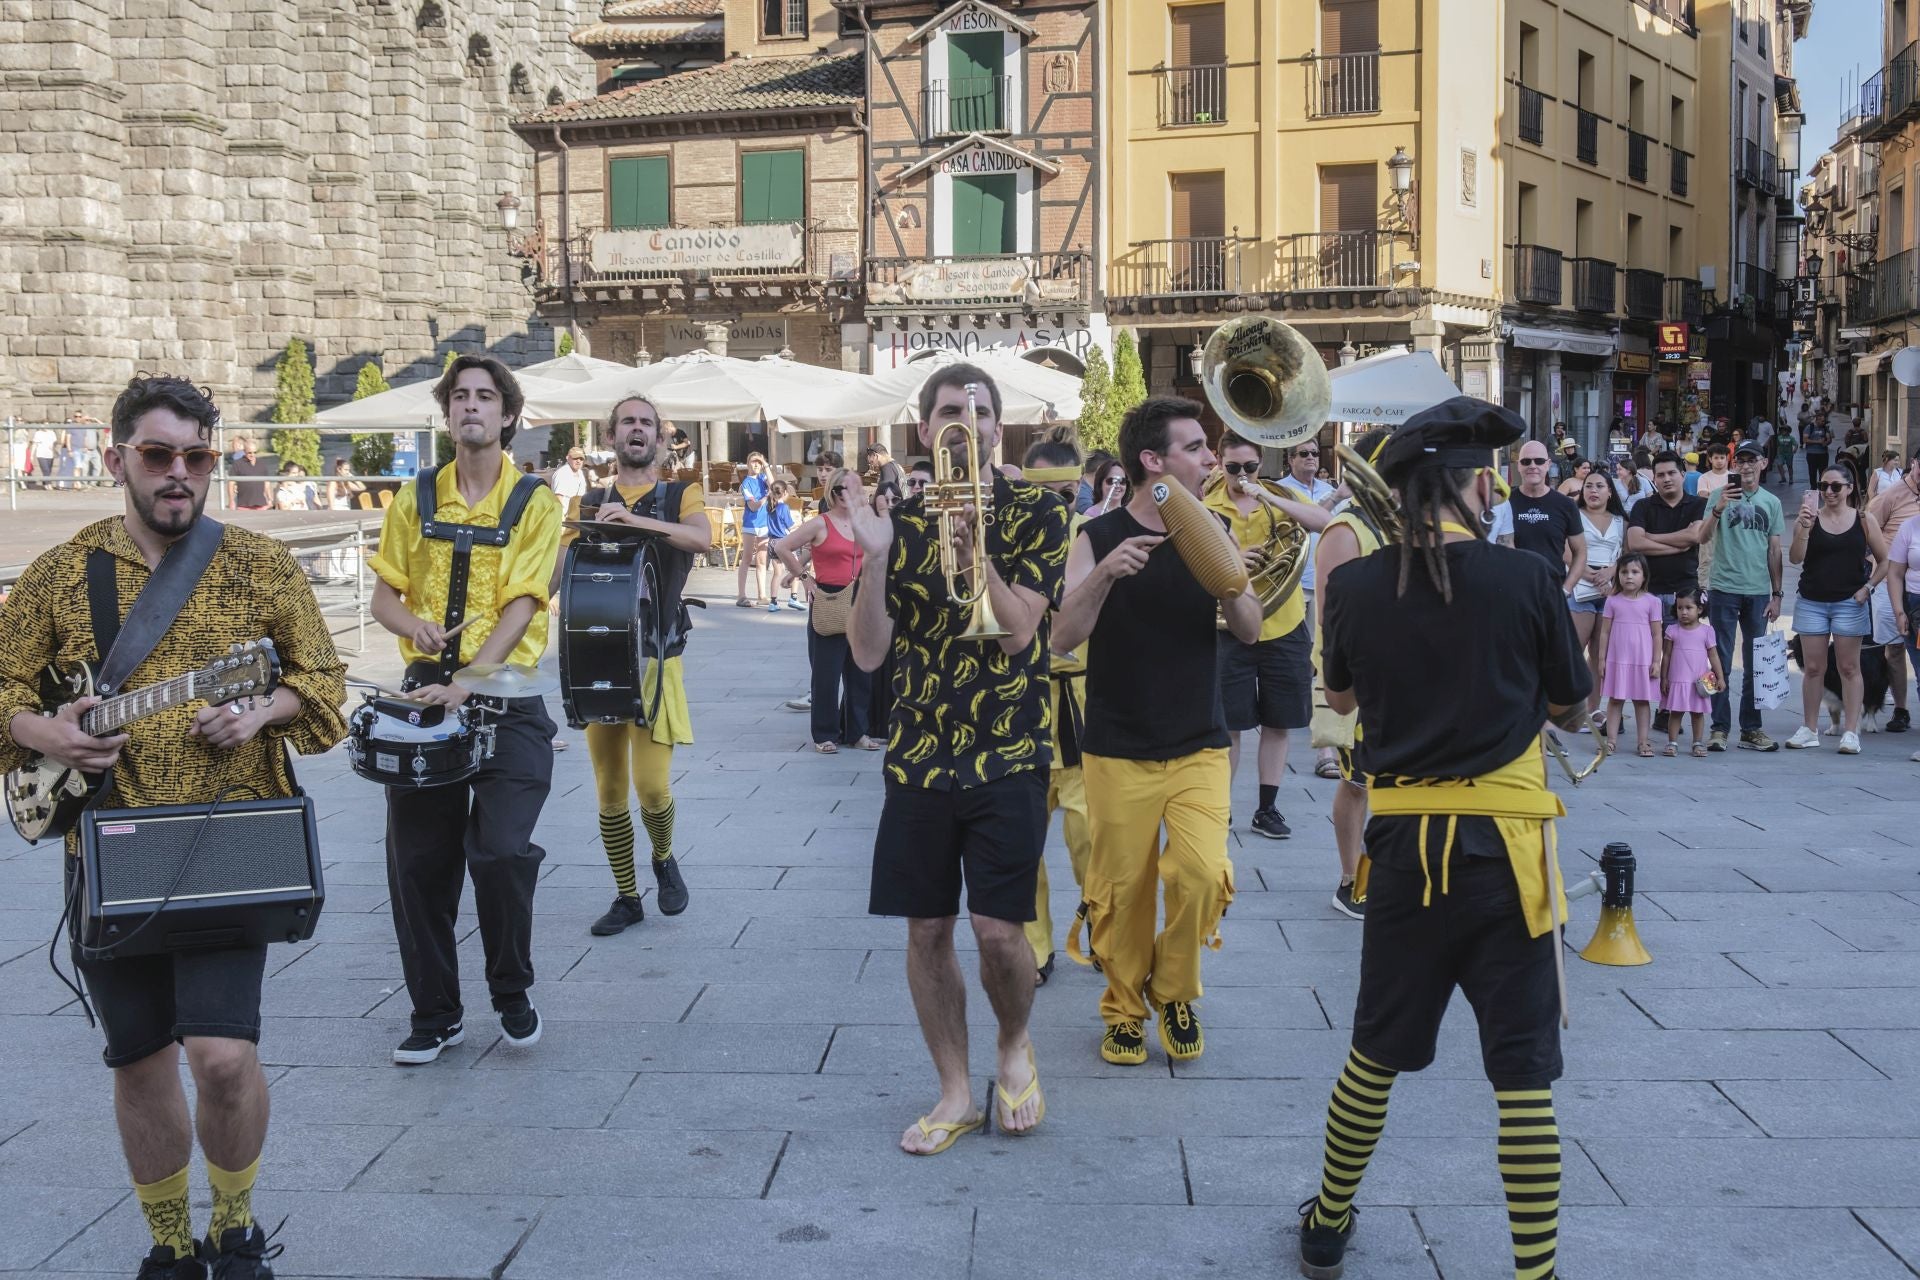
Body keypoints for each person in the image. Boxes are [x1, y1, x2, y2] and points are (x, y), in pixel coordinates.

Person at [0, 375, 346, 1279]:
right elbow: (2, 687)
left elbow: (325, 685)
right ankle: (169, 1245)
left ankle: (235, 1225)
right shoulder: (61, 573)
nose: (180, 473)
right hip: (110, 848)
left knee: (223, 1056)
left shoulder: (258, 566)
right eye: (159, 455)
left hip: (234, 838)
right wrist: (51, 733)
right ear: (118, 458)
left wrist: (261, 711)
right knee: (141, 1060)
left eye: (199, 456)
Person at [1296, 396, 1589, 1280]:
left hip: (1405, 848)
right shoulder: (1527, 577)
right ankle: (1534, 1270)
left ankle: (1326, 1223)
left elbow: (1340, 701)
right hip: (1507, 850)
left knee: (1373, 1051)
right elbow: (1573, 706)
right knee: (1524, 1074)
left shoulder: (1352, 584)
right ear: (1470, 487)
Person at [844, 364, 1069, 1153]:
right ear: (924, 428)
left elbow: (1017, 632)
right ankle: (954, 1090)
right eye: (947, 412)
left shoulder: (1041, 511)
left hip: (1009, 748)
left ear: (995, 431)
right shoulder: (894, 520)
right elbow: (869, 656)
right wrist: (873, 559)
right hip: (918, 756)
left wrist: (979, 550)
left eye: (976, 414)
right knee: (927, 931)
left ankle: (1013, 1042)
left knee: (1000, 933)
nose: (961, 424)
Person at [1052, 397, 1263, 1066]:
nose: (1210, 459)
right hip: (1118, 744)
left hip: (1200, 738)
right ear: (1154, 461)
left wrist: (1232, 588)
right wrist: (1107, 576)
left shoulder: (1213, 532)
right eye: (1196, 447)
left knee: (1201, 874)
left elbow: (1252, 631)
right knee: (1124, 891)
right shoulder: (1098, 536)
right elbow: (1062, 636)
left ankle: (1174, 991)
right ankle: (1123, 1008)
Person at [367, 354, 563, 1065]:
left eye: (485, 397)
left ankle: (510, 988)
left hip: (507, 700)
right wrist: (407, 626)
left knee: (502, 850)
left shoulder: (535, 500)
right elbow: (384, 594)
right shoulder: (415, 495)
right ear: (446, 413)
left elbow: (523, 602)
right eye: (460, 397)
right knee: (418, 864)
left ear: (508, 416)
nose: (471, 407)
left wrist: (471, 679)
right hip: (424, 699)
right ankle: (436, 1013)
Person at [551, 394, 706, 935]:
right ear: (611, 436)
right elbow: (556, 571)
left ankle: (663, 858)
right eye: (627, 423)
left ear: (660, 438)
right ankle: (626, 895)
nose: (637, 430)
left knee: (652, 787)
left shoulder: (680, 493)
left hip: (657, 657)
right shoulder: (588, 500)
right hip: (597, 657)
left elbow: (702, 539)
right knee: (610, 788)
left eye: (646, 423)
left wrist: (640, 524)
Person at [1209, 434, 1330, 838]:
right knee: (1230, 724)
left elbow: (1324, 524)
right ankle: (1220, 808)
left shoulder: (1278, 497)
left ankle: (1267, 808)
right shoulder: (1207, 505)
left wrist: (1271, 498)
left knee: (1280, 722)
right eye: (1232, 468)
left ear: (1261, 463)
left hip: (1285, 622)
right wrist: (1230, 560)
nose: (1241, 476)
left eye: (1250, 467)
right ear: (1220, 462)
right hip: (1228, 627)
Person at [1015, 437, 1093, 986]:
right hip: (1022, 708)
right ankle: (1034, 946)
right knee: (1022, 842)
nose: (1059, 504)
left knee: (1096, 841)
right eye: (1047, 493)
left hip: (1087, 709)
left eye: (1068, 493)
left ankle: (1108, 935)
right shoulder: (1006, 541)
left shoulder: (1096, 536)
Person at [1311, 425, 1395, 920]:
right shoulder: (1346, 530)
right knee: (1358, 781)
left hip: (1399, 677)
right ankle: (1351, 877)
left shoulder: (1399, 525)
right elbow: (1331, 617)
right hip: (1359, 680)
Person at [772, 468, 877, 754]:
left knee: (860, 674)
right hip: (829, 597)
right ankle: (824, 734)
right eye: (840, 489)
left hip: (860, 598)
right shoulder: (820, 524)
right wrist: (804, 577)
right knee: (826, 674)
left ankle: (857, 732)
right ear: (832, 493)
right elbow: (782, 546)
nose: (846, 494)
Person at [1788, 466, 1889, 754]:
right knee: (1813, 668)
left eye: (1835, 486)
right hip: (1811, 600)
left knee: (1848, 667)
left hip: (1850, 601)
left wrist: (1867, 589)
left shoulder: (1863, 519)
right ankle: (1809, 728)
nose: (1829, 492)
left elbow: (1884, 562)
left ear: (1849, 488)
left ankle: (1851, 731)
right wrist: (1804, 528)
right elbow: (1796, 557)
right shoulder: (1810, 518)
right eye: (1823, 486)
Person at [1703, 442, 1785, 752]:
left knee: (1756, 663)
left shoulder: (1772, 502)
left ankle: (1751, 728)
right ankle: (1719, 727)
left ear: (1763, 463)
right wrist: (1718, 507)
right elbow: (1703, 537)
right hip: (1723, 588)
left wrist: (1777, 594)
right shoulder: (1718, 495)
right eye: (1742, 460)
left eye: (1753, 460)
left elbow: (1775, 549)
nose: (1747, 466)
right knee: (1718, 659)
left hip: (1757, 591)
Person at [1274, 439, 1343, 779]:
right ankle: (1304, 718)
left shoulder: (1332, 489)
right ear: (1289, 459)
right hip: (1292, 585)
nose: (1311, 459)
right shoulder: (1279, 491)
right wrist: (1336, 498)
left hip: (1325, 583)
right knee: (1301, 658)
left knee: (1322, 657)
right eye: (1304, 453)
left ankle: (1325, 743)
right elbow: (1308, 523)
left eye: (1315, 453)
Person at [1868, 446, 1920, 734]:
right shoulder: (1892, 495)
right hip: (1892, 581)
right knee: (1895, 647)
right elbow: (1868, 525)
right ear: (1914, 463)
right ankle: (1900, 709)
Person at [1571, 471, 1626, 716]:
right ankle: (1566, 705)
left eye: (1599, 486)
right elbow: (1565, 551)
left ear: (1610, 491)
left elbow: (1624, 552)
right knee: (1573, 649)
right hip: (1580, 586)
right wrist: (1592, 575)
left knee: (1598, 654)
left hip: (1609, 589)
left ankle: (1593, 710)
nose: (1593, 491)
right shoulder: (1574, 514)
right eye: (1589, 486)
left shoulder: (1619, 520)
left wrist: (1612, 572)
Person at [1596, 553, 1663, 756]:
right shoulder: (1612, 601)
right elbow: (1605, 632)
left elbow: (1657, 633)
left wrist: (1656, 661)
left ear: (1644, 576)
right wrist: (1601, 659)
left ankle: (1643, 742)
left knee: (1642, 701)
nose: (1629, 576)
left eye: (1635, 572)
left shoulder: (1652, 602)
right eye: (1624, 572)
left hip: (1642, 661)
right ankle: (1611, 741)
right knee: (1615, 700)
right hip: (1618, 661)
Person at [1509, 440, 1586, 599]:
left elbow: (1581, 551)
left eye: (1539, 461)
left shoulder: (1565, 505)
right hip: (1513, 593)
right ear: (1518, 465)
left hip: (1552, 592)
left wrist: (1566, 589)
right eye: (1526, 461)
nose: (1532, 466)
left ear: (1548, 464)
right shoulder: (1505, 502)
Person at [1662, 591, 1722, 757]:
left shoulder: (1707, 631)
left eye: (1689, 607)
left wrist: (1720, 677)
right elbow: (1666, 655)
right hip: (1678, 679)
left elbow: (1714, 655)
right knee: (1676, 712)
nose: (1684, 612)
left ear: (1700, 609)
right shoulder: (1672, 630)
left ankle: (1697, 742)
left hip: (1699, 682)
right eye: (1680, 608)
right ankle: (1672, 742)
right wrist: (1664, 678)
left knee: (1697, 713)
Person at [736, 452, 771, 607]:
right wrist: (766, 497)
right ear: (748, 464)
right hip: (750, 524)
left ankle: (762, 594)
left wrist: (766, 465)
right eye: (753, 462)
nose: (756, 465)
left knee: (762, 560)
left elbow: (775, 485)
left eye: (759, 462)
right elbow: (753, 506)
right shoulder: (746, 483)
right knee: (747, 558)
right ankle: (741, 595)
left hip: (765, 524)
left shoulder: (764, 479)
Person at [765, 479, 804, 610]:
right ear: (785, 493)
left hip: (772, 542)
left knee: (777, 573)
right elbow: (790, 526)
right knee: (796, 569)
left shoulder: (769, 506)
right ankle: (793, 597)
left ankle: (773, 602)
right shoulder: (784, 507)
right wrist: (801, 522)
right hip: (784, 542)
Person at [226, 435, 272, 510]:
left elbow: (266, 482)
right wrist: (231, 501)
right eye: (249, 453)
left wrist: (270, 498)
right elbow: (231, 483)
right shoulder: (237, 464)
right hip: (244, 505)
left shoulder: (262, 464)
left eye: (255, 452)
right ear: (244, 451)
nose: (252, 455)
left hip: (261, 504)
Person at [1802, 410, 1833, 486]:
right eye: (1822, 421)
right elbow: (1805, 440)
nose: (1823, 423)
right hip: (1812, 454)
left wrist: (1827, 441)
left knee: (1823, 472)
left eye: (1824, 421)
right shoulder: (1809, 427)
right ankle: (1813, 487)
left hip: (1823, 454)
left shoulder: (1825, 428)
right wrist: (1818, 442)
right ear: (1817, 419)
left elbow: (1829, 440)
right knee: (1812, 472)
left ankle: (1821, 487)